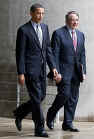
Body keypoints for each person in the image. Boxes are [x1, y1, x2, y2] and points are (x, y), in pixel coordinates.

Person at [13, 3, 57, 137]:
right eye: (38, 13)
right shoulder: (23, 30)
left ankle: (20, 113)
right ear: (31, 13)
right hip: (30, 70)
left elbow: (48, 49)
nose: (41, 16)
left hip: (42, 70)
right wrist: (21, 72)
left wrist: (53, 67)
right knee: (37, 100)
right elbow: (20, 53)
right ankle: (39, 128)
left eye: (43, 13)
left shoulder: (45, 27)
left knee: (41, 96)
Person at [46, 11, 86, 132]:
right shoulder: (58, 33)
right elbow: (55, 54)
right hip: (63, 72)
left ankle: (68, 123)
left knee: (73, 98)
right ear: (66, 21)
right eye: (72, 20)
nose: (75, 22)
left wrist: (84, 71)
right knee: (64, 95)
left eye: (77, 20)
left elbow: (82, 54)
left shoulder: (81, 35)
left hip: (76, 73)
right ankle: (51, 114)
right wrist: (56, 72)